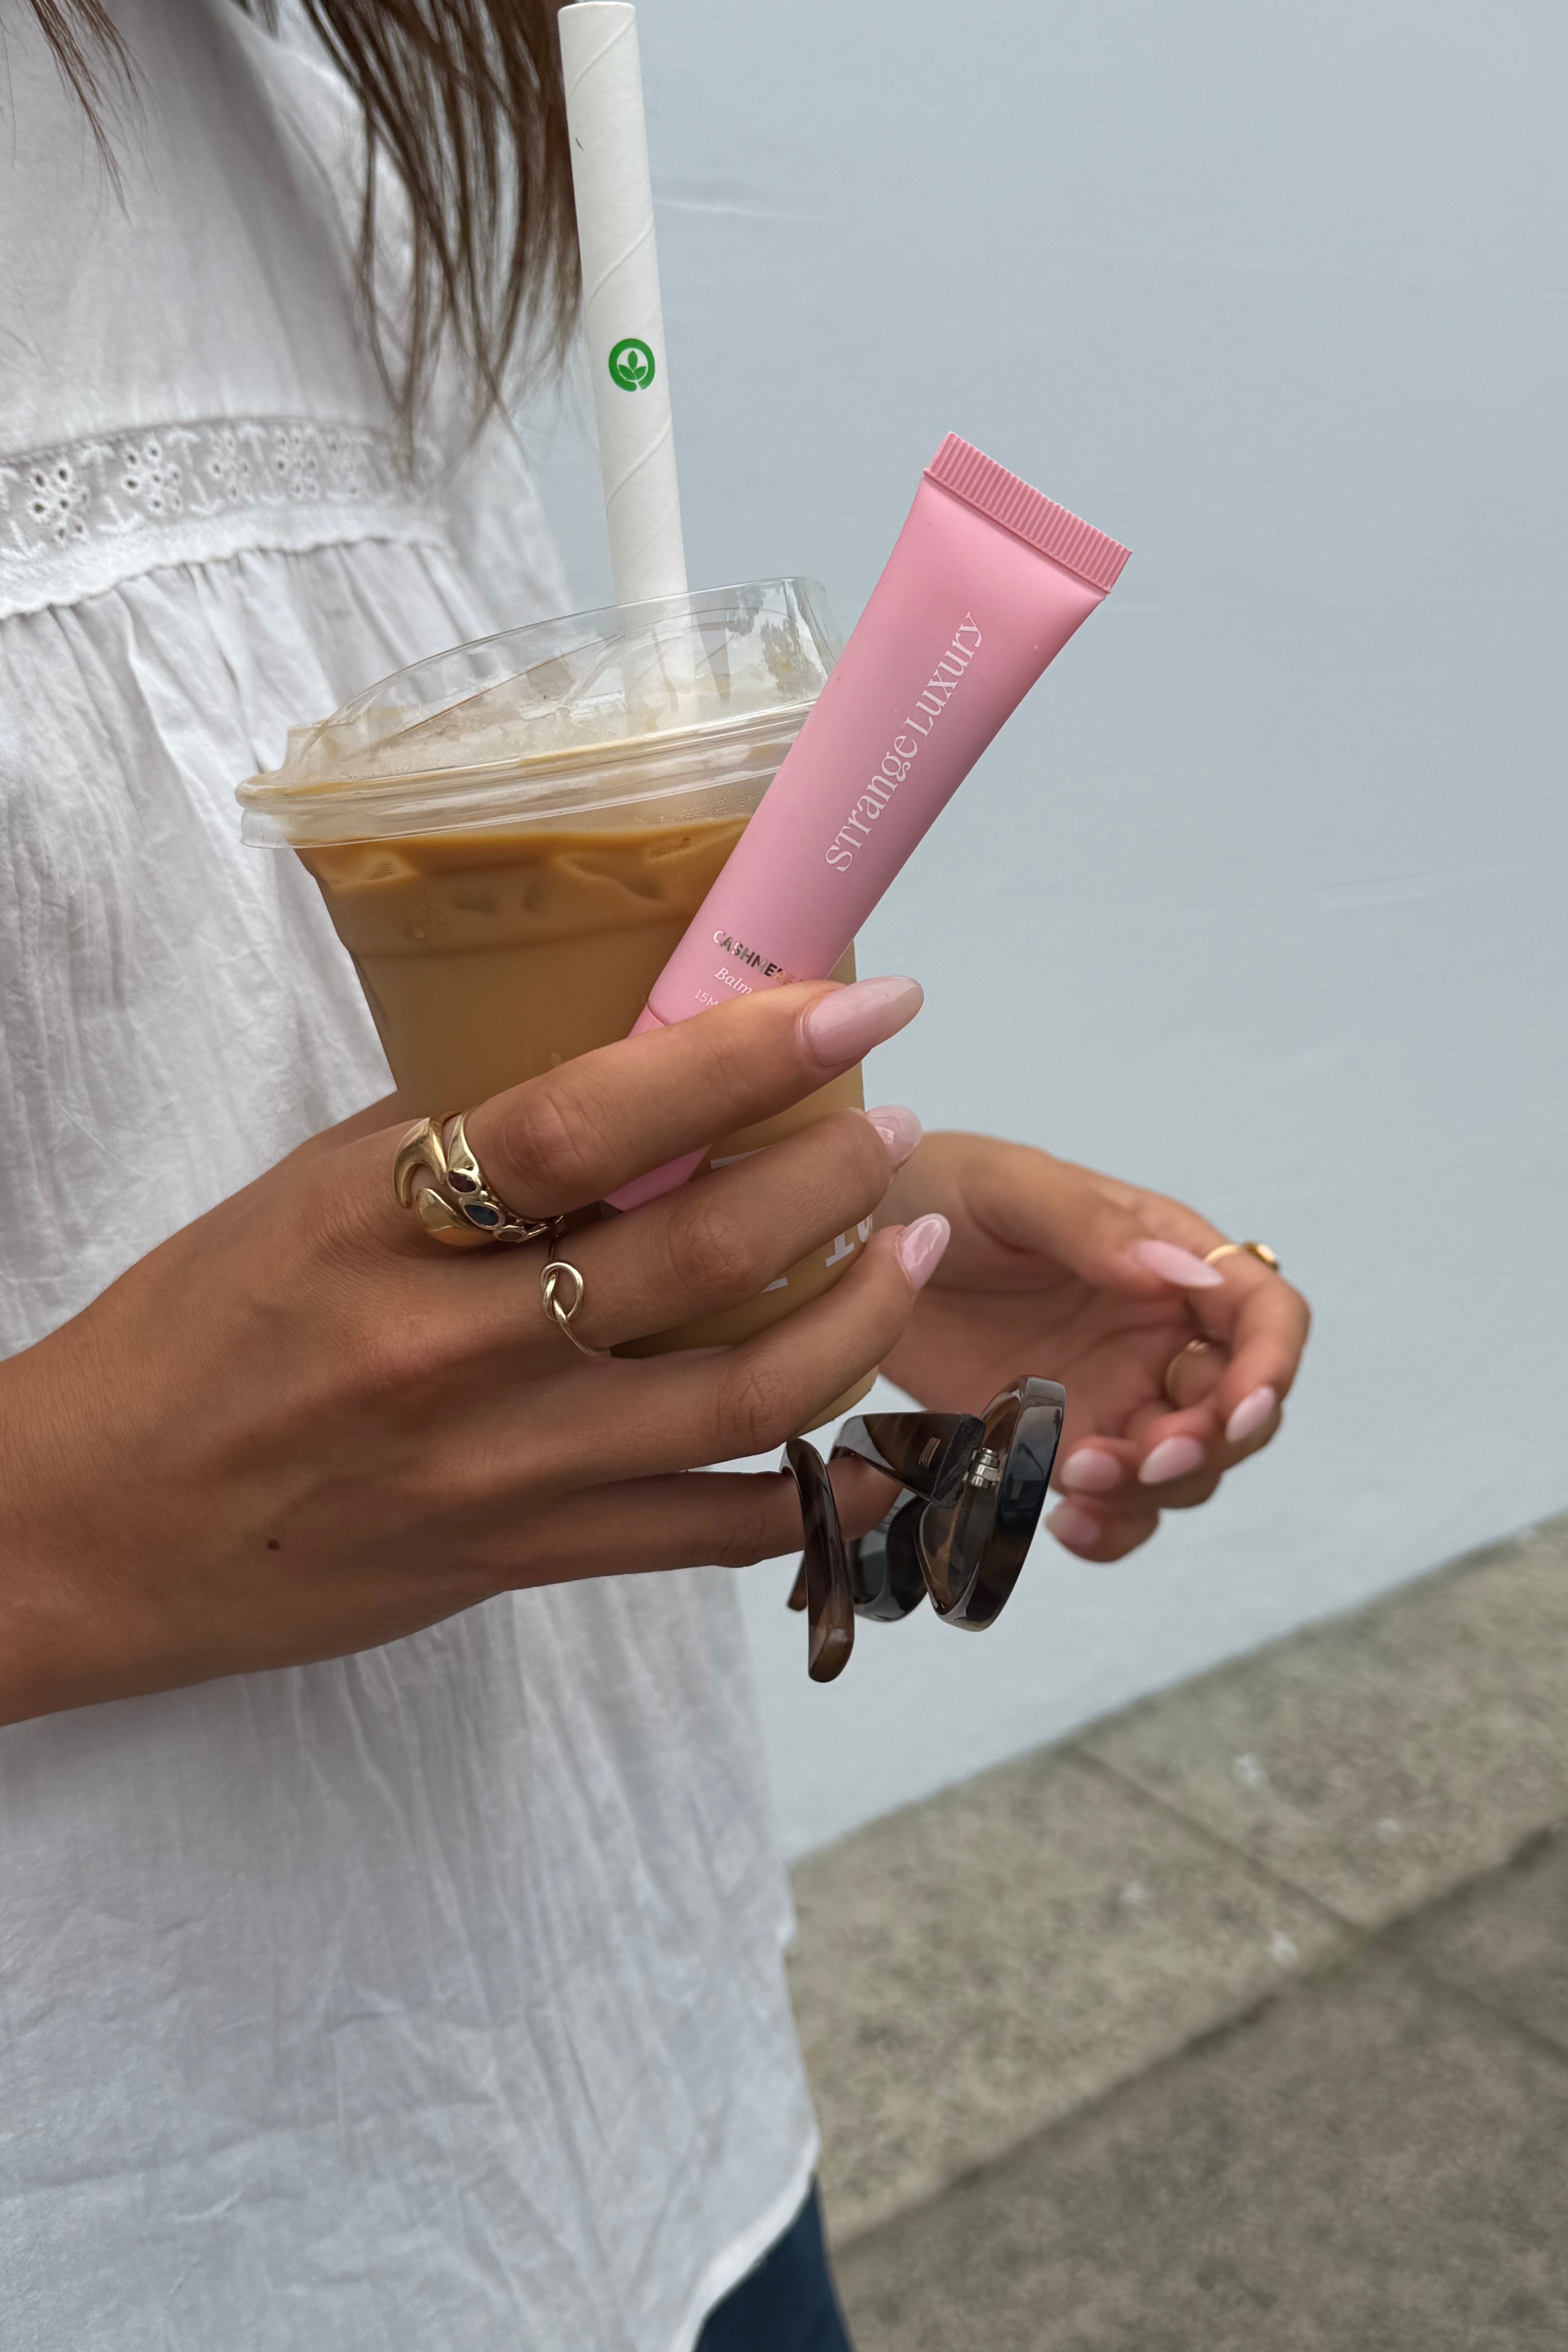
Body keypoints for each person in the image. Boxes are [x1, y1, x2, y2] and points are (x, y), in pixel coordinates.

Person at [0, 1, 1311, 2345]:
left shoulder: (335, 92)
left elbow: (260, 1055)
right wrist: (55, 1532)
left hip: (617, 2095)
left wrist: (818, 1238)